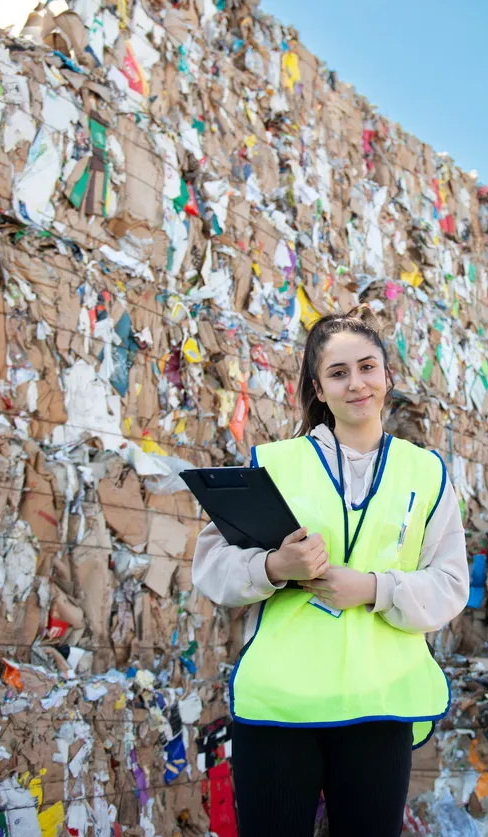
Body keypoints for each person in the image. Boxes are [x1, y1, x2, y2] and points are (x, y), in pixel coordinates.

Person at [192, 307, 469, 837]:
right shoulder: (274, 463)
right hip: (280, 703)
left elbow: (451, 582)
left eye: (367, 368)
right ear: (318, 389)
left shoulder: (426, 472)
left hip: (381, 702)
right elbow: (212, 567)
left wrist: (372, 588)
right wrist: (275, 567)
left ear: (388, 376)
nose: (357, 383)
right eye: (338, 373)